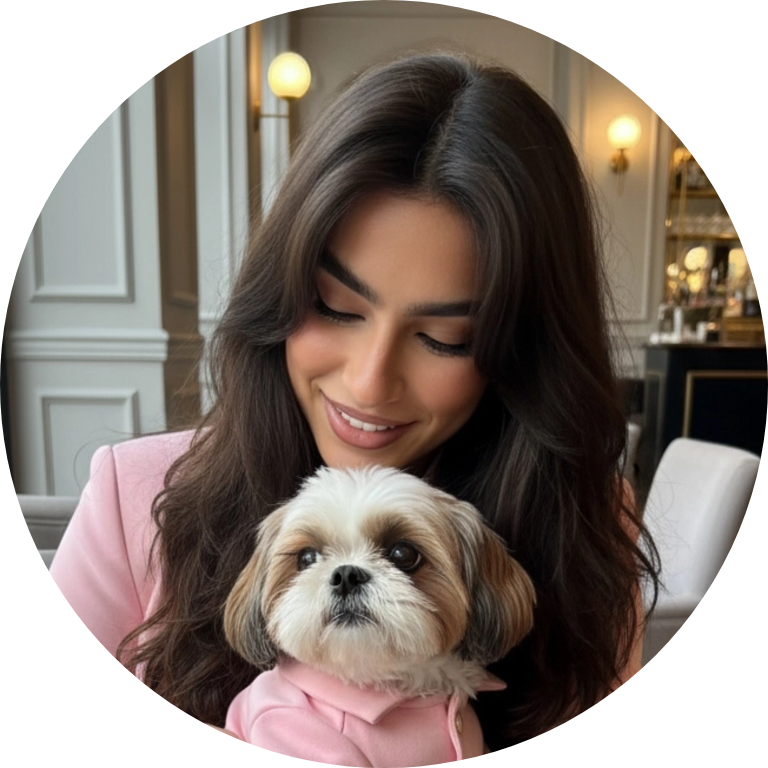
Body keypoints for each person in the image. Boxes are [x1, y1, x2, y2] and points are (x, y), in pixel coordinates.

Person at [50, 50, 659, 747]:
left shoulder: (583, 522)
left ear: (522, 355)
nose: (369, 382)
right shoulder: (133, 495)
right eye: (336, 307)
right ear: (278, 297)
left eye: (446, 338)